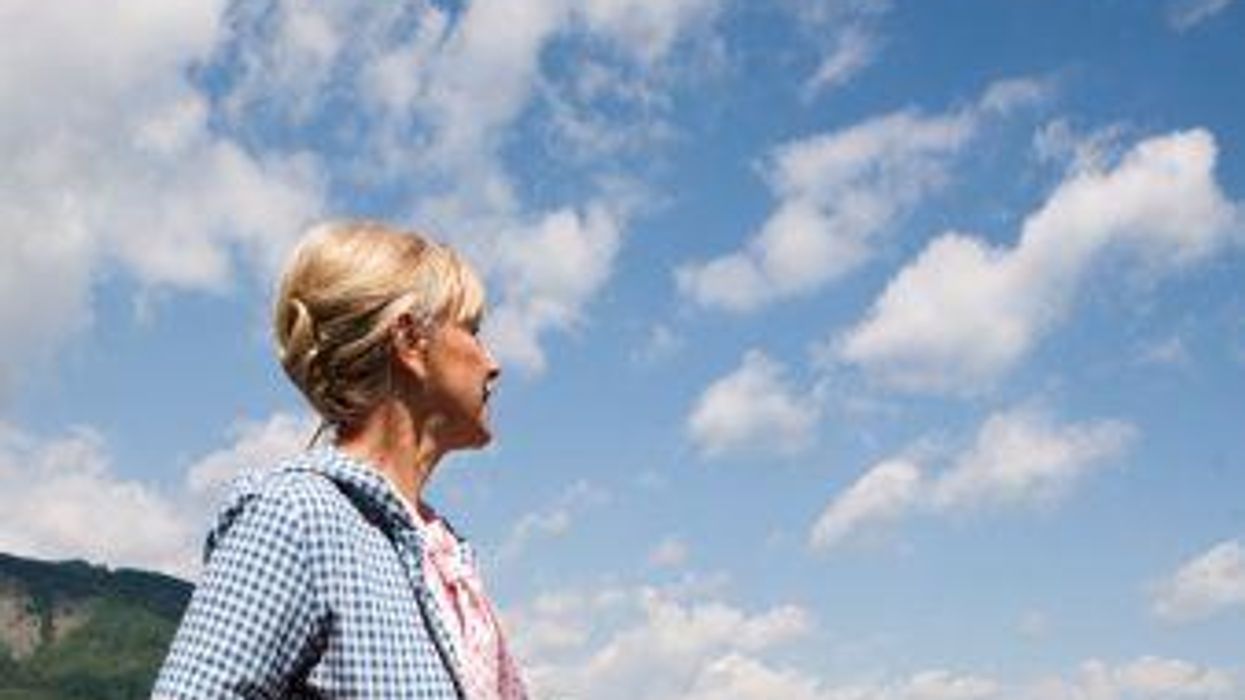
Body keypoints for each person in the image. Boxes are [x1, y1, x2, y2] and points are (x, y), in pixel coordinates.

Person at [152, 220, 526, 699]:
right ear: (411, 343)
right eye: (472, 330)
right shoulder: (296, 517)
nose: (492, 363)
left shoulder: (440, 555)